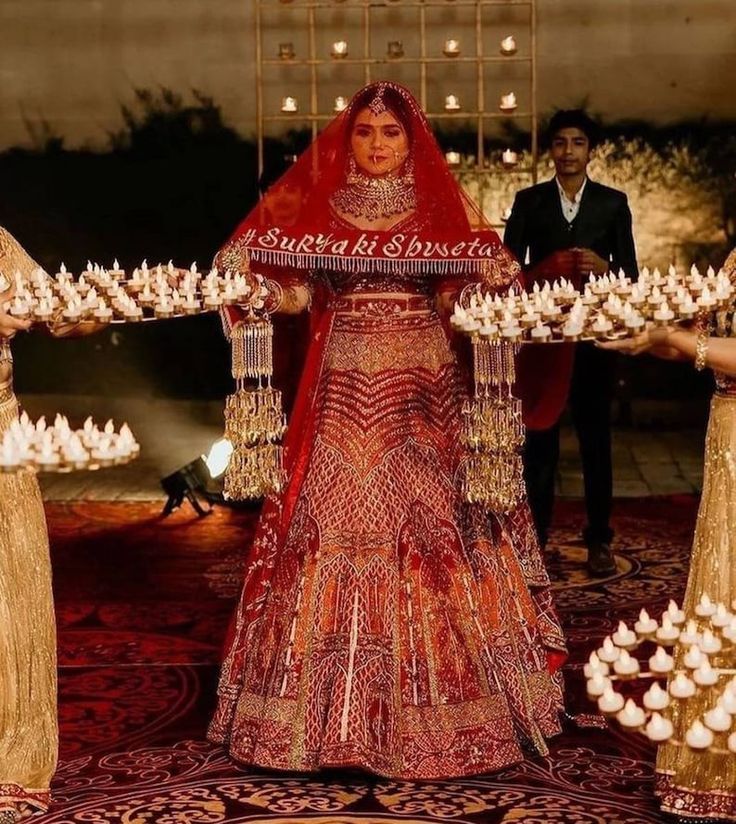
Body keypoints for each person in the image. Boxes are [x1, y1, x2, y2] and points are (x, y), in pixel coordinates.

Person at [208, 81, 567, 780]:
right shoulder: (323, 209)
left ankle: (450, 718)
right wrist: (255, 294)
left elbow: (464, 293)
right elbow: (301, 292)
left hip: (423, 393)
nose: (377, 144)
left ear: (412, 140)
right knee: (322, 526)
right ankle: (314, 725)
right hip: (341, 389)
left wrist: (491, 291)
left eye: (391, 133)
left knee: (432, 532)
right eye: (366, 132)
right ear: (350, 140)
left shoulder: (436, 210)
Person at [598, 248, 736, 821]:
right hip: (727, 425)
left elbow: (702, 345)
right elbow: (708, 340)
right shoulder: (733, 261)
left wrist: (676, 340)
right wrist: (645, 337)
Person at [504, 110, 638, 577]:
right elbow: (505, 273)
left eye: (577, 142)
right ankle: (534, 540)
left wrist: (605, 266)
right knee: (539, 440)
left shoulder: (612, 204)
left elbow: (632, 277)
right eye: (560, 142)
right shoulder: (529, 202)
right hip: (544, 339)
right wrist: (547, 266)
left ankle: (599, 539)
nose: (568, 151)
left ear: (589, 150)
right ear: (551, 151)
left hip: (592, 340)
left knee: (596, 440)